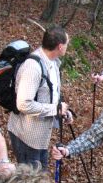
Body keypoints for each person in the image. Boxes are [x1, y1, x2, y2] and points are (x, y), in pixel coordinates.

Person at [7, 25, 73, 167]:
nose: (68, 47)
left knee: (37, 181)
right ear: (60, 47)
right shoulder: (33, 67)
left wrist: (62, 111)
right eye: (67, 44)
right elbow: (23, 104)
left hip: (40, 137)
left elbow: (51, 94)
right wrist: (55, 109)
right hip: (26, 136)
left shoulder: (53, 63)